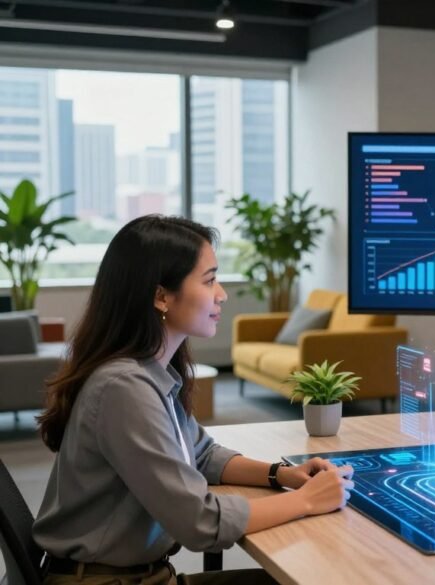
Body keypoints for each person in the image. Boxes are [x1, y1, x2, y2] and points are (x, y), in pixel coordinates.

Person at [34, 216, 355, 585]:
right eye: (210, 280)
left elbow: (200, 453)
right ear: (161, 296)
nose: (222, 294)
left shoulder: (148, 373)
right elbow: (199, 523)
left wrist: (282, 474)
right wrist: (307, 501)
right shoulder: (124, 388)